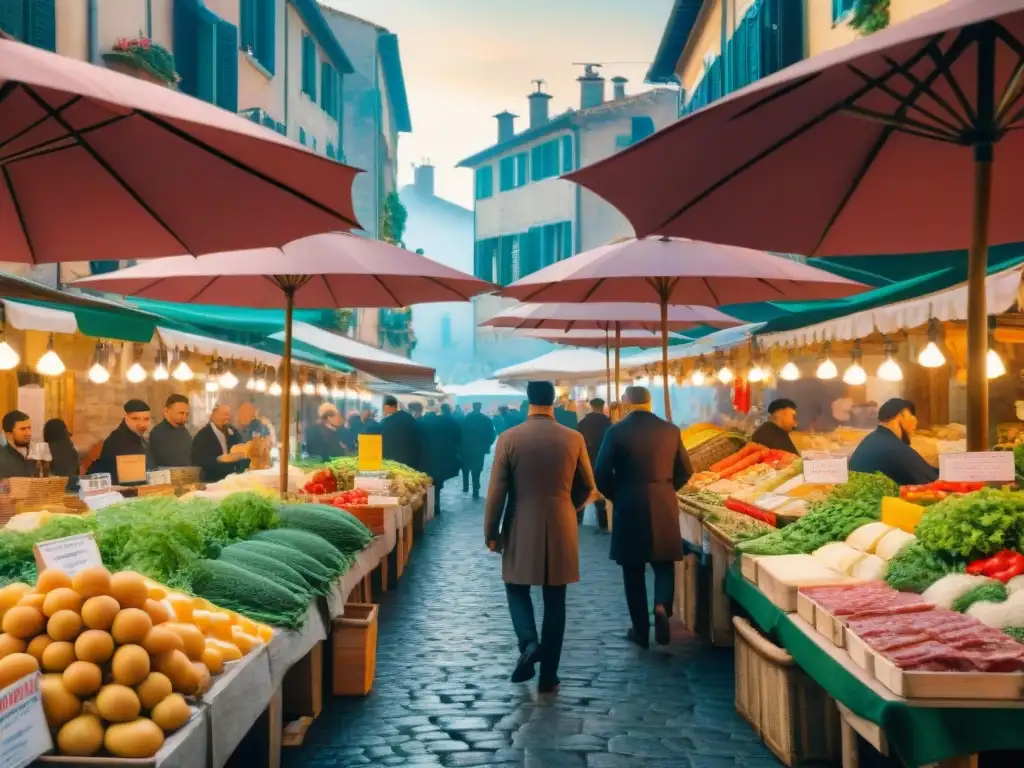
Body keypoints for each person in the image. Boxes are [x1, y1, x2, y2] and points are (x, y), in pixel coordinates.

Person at [484, 381, 596, 694]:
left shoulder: (509, 438)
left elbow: (496, 492)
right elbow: (589, 485)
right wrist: (568, 506)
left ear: (528, 401)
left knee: (516, 586)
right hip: (561, 522)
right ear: (554, 403)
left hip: (521, 520)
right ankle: (549, 675)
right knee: (556, 598)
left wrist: (491, 533)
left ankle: (529, 641)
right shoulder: (574, 438)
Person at [595, 385, 692, 648]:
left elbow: (601, 473)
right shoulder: (670, 430)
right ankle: (661, 606)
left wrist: (617, 494)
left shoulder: (615, 431)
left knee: (632, 569)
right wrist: (668, 488)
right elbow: (686, 469)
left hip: (629, 501)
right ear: (649, 403)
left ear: (626, 403)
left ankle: (640, 630)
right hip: (663, 500)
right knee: (664, 562)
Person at [849, 398, 938, 486]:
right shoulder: (894, 447)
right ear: (900, 416)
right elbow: (932, 479)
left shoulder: (875, 438)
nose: (915, 424)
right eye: (911, 416)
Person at [92, 400, 156, 484]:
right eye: (135, 419)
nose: (142, 424)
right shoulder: (117, 440)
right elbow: (129, 479)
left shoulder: (140, 438)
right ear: (126, 418)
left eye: (146, 419)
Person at [191, 404, 249, 483]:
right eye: (224, 414)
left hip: (232, 479)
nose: (227, 417)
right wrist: (218, 459)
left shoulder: (233, 431)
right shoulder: (202, 435)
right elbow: (197, 460)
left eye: (229, 414)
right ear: (213, 415)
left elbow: (243, 446)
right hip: (211, 480)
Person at [577, 398, 612, 529]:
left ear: (591, 407)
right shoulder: (607, 422)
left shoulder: (583, 422)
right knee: (601, 491)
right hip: (603, 460)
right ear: (602, 407)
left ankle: (578, 520)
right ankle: (603, 522)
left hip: (586, 459)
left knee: (584, 489)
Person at [420, 404, 461, 513]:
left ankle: (431, 505)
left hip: (427, 457)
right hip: (443, 456)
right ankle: (435, 505)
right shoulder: (446, 423)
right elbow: (457, 439)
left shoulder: (422, 424)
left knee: (430, 481)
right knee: (437, 481)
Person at [461, 402, 496, 498]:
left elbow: (461, 432)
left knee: (466, 468)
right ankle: (475, 489)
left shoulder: (466, 418)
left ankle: (465, 487)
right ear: (480, 407)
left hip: (467, 448)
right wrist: (487, 445)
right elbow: (492, 434)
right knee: (476, 469)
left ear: (473, 407)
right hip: (480, 449)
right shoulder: (485, 419)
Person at [379, 396, 423, 471]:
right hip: (409, 459)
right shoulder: (409, 418)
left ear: (387, 406)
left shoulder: (385, 422)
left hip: (392, 461)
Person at [149, 394, 193, 468]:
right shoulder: (157, 433)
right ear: (166, 411)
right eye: (181, 413)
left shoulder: (185, 432)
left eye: (187, 414)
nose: (184, 417)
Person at [43, 419, 79, 491]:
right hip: (74, 487)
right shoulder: (71, 449)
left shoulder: (47, 449)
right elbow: (77, 470)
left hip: (56, 489)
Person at [0, 410, 33, 479]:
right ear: (8, 433)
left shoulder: (34, 454)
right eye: (23, 429)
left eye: (29, 428)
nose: (28, 433)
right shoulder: (2, 458)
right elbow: (2, 487)